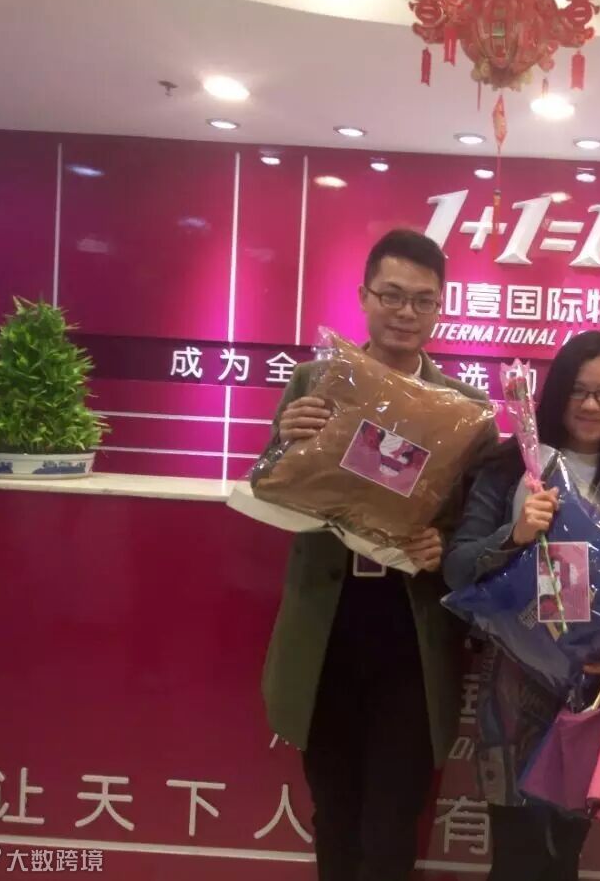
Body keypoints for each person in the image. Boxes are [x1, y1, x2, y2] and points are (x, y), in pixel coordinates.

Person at [253, 229, 496, 881]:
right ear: (364, 297)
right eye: (391, 295)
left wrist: (444, 544)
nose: (405, 312)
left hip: (410, 634)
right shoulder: (316, 380)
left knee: (392, 821)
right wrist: (283, 440)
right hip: (326, 626)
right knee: (333, 809)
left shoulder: (464, 412)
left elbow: (476, 525)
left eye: (422, 300)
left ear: (440, 307)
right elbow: (268, 484)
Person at [443, 331, 600, 881]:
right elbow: (457, 566)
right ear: (556, 391)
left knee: (564, 852)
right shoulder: (508, 467)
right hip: (512, 677)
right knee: (515, 852)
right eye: (577, 390)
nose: (590, 405)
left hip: (591, 680)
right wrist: (514, 535)